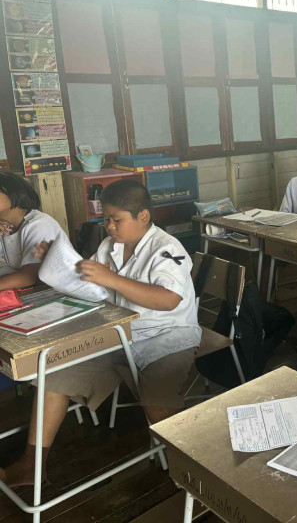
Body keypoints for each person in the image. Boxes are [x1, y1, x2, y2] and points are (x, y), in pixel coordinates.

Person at [0, 180, 201, 487]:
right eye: (106, 219)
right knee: (53, 375)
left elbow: (168, 300)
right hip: (118, 332)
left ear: (143, 216)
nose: (109, 226)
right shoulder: (110, 245)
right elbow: (85, 275)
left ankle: (194, 472)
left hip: (166, 336)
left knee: (157, 402)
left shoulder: (167, 248)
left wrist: (112, 279)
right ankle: (32, 464)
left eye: (116, 219)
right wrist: (54, 259)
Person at [0, 171, 68, 290]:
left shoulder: (39, 225)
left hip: (53, 292)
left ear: (14, 194)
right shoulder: (5, 226)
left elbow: (29, 277)